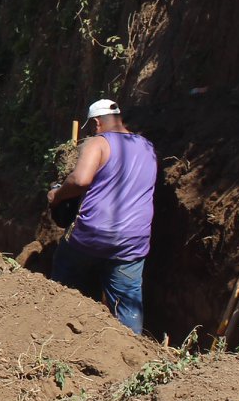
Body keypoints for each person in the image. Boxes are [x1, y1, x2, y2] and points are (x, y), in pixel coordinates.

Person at [47, 98, 157, 334]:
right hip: (133, 241)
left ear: (97, 123)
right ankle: (132, 351)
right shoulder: (147, 147)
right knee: (127, 306)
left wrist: (56, 196)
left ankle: (56, 329)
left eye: (92, 127)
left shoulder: (98, 143)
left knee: (65, 278)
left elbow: (80, 180)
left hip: (94, 233)